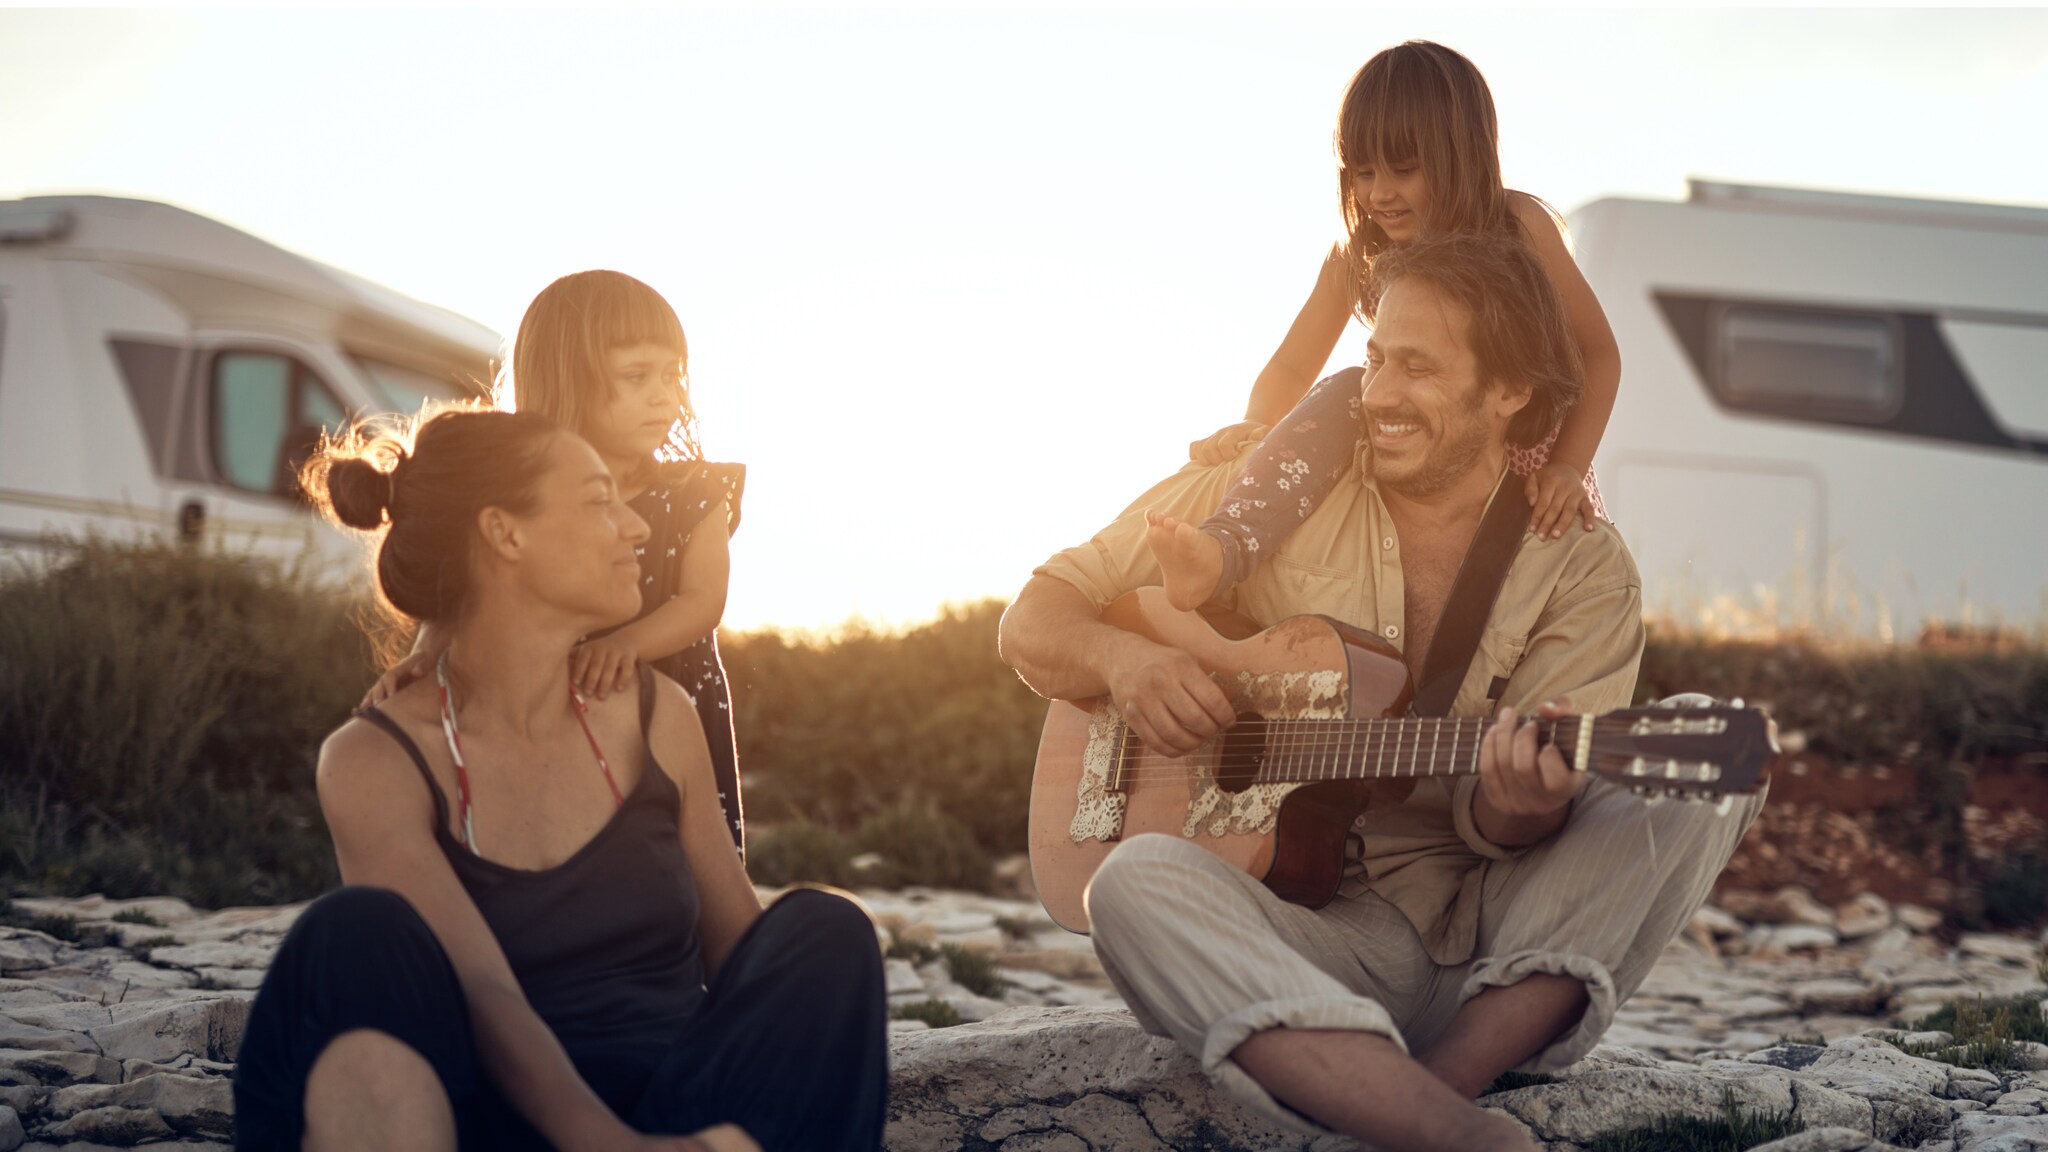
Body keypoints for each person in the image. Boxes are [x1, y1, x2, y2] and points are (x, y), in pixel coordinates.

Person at [998, 232, 1762, 1152]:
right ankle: (1458, 1134)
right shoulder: (1271, 487)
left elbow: (1514, 825)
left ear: (1511, 390)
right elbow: (1034, 619)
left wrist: (1523, 801)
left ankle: (1428, 1094)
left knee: (1712, 755)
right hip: (1292, 939)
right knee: (1126, 884)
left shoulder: (1582, 567)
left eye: (1419, 368)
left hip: (1494, 949)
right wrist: (1126, 663)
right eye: (1375, 359)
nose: (1380, 394)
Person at [235, 408, 886, 1152]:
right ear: (505, 534)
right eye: (599, 500)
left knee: (824, 932)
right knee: (350, 935)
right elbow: (485, 993)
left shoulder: (658, 715)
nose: (637, 526)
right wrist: (605, 1144)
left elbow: (743, 955)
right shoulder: (376, 759)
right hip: (489, 1121)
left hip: (671, 1109)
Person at [1156, 41, 1623, 613]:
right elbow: (1293, 365)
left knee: (1523, 610)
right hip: (1420, 474)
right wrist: (1256, 425)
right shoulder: (1358, 255)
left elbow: (1600, 356)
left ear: (1461, 155)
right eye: (1362, 172)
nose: (1379, 193)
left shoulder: (1517, 226)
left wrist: (1567, 468)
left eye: (1403, 170)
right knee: (1350, 397)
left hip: (1521, 470)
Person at [366, 270, 747, 856]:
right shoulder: (525, 495)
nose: (664, 396)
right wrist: (424, 657)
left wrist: (624, 646)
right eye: (637, 376)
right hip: (548, 699)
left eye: (672, 374)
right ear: (570, 378)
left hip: (670, 689)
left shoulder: (694, 492)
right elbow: (472, 587)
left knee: (685, 844)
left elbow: (703, 600)